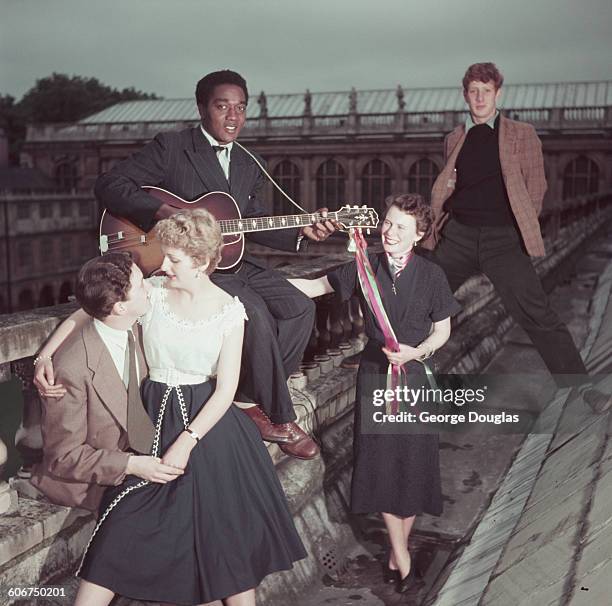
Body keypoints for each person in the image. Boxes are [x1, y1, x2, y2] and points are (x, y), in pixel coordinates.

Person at [38, 210, 307, 606]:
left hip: (212, 434)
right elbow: (91, 309)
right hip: (149, 425)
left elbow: (226, 389)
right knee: (119, 532)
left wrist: (187, 441)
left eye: (174, 260)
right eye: (165, 256)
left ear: (200, 262)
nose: (162, 265)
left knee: (224, 556)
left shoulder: (230, 310)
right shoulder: (154, 291)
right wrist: (46, 352)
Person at [91, 69, 338, 460]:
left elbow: (250, 220)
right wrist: (163, 212)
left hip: (232, 261)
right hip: (190, 270)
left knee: (299, 308)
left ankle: (245, 399)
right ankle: (280, 418)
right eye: (223, 106)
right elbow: (109, 184)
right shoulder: (172, 147)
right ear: (203, 108)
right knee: (252, 311)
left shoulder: (246, 162)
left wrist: (303, 233)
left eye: (241, 108)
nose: (233, 117)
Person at [290, 194, 460, 593]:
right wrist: (254, 285)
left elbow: (443, 330)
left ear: (419, 235)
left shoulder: (433, 276)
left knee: (414, 465)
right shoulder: (365, 268)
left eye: (401, 227)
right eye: (387, 223)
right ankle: (401, 556)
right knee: (384, 462)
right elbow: (315, 286)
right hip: (376, 375)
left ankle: (396, 549)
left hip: (415, 374)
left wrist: (415, 351)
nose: (389, 232)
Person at [420, 61, 611, 412]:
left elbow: (537, 187)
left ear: (498, 94)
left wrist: (517, 225)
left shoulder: (523, 134)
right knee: (421, 299)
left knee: (536, 312)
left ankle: (582, 388)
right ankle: (385, 366)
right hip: (459, 236)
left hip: (502, 241)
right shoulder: (454, 139)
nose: (479, 98)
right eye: (473, 91)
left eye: (486, 91)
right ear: (465, 95)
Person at [30, 254, 184, 511]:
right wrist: (131, 465)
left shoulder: (137, 325)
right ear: (120, 307)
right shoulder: (71, 368)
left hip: (147, 457)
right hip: (99, 481)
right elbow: (63, 457)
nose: (149, 286)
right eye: (140, 284)